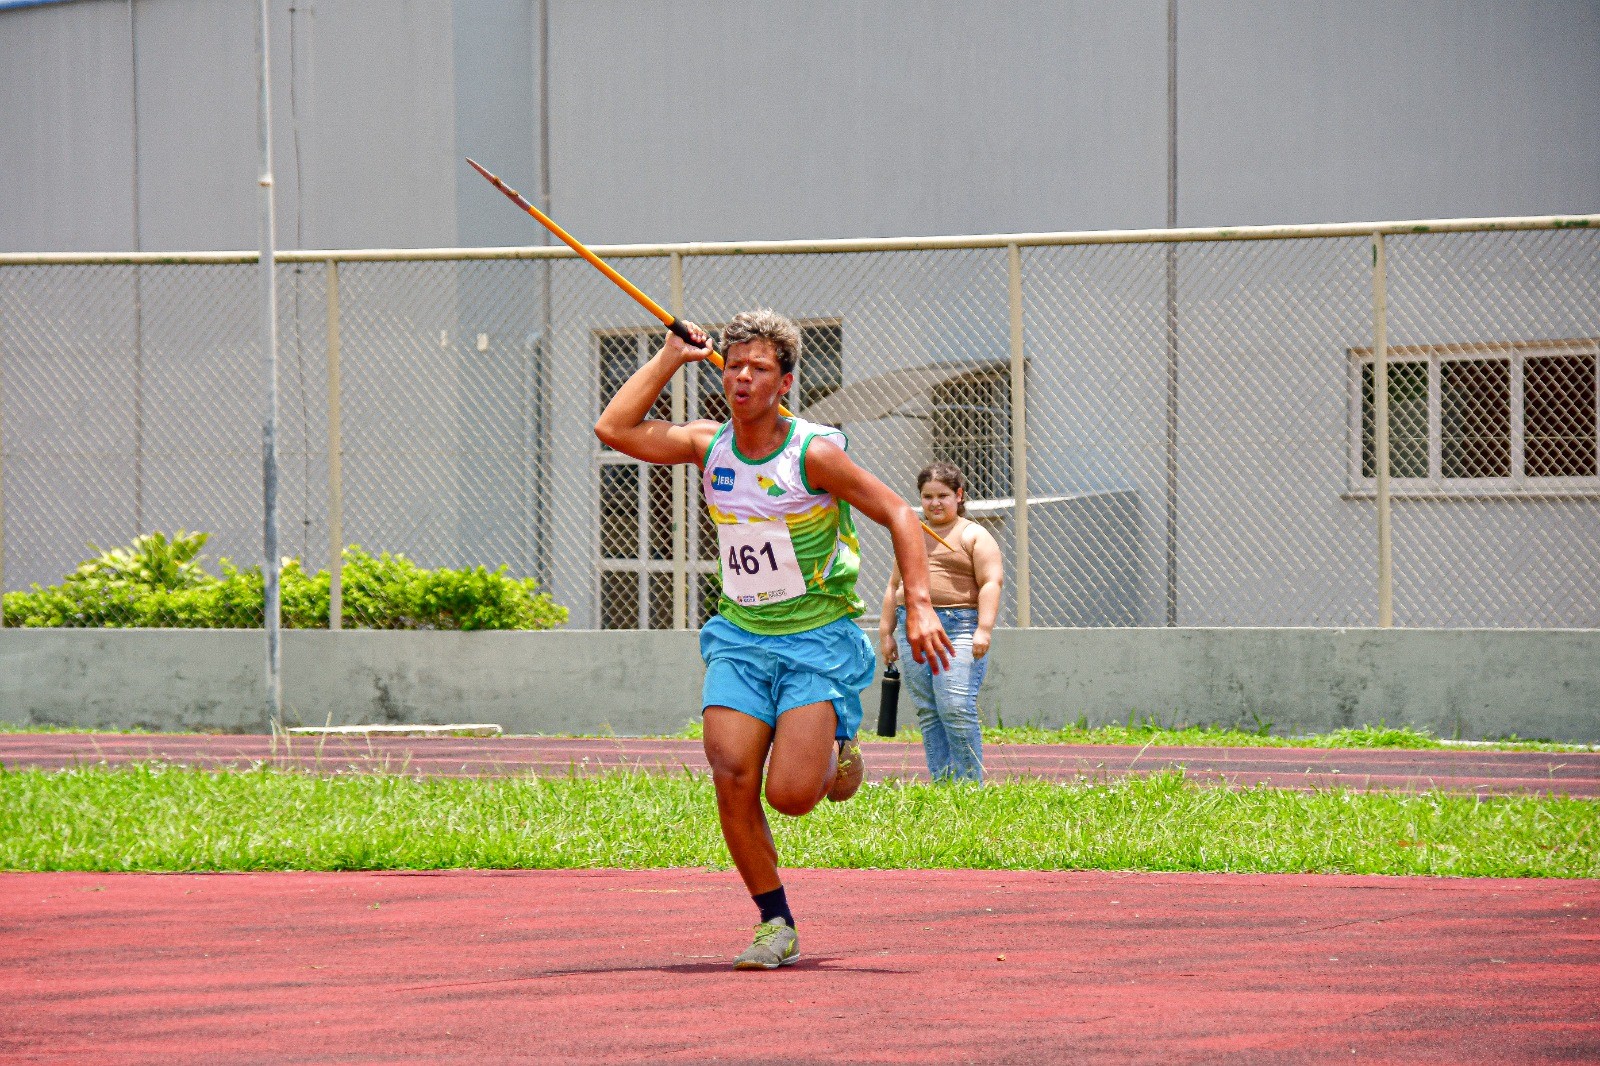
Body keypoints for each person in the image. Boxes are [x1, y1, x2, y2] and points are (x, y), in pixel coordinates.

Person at [594, 308, 953, 971]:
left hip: (816, 638)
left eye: (759, 368)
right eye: (734, 366)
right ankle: (774, 921)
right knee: (731, 773)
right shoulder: (709, 445)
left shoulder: (813, 455)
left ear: (785, 381)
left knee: (791, 796)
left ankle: (840, 748)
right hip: (741, 636)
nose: (743, 378)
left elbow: (899, 513)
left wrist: (920, 607)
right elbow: (614, 429)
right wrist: (670, 357)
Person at [878, 461, 1003, 783]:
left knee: (955, 707)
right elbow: (894, 586)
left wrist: (983, 630)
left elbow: (991, 582)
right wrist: (886, 633)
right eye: (927, 496)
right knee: (930, 711)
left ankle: (968, 784)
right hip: (912, 628)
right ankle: (943, 782)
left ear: (959, 495)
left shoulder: (974, 534)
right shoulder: (912, 534)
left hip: (958, 626)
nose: (934, 502)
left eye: (942, 495)